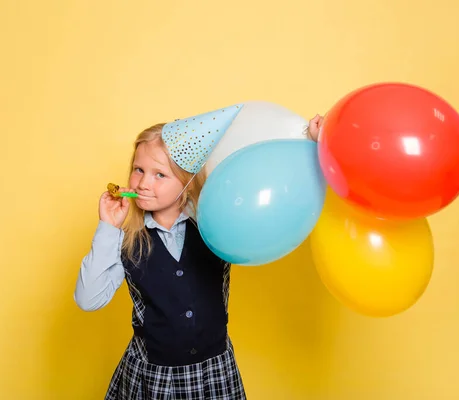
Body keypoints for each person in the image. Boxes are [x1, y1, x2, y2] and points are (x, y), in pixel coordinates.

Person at [74, 105, 323, 400]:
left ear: (186, 181)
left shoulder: (214, 221)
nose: (142, 183)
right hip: (154, 376)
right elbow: (88, 299)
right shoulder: (124, 238)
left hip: (213, 371)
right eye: (138, 169)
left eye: (159, 175)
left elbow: (264, 182)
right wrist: (107, 228)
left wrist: (308, 142)